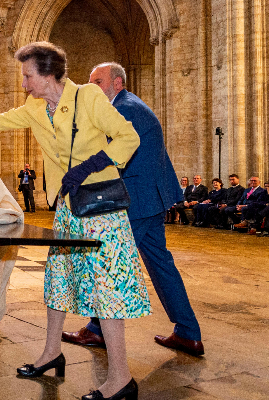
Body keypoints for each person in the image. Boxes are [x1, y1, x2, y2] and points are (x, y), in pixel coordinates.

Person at [0, 42, 148, 400]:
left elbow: (128, 137)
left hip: (102, 209)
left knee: (107, 293)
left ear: (47, 74)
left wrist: (90, 166)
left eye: (28, 76)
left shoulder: (89, 97)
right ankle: (51, 352)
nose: (24, 84)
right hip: (68, 208)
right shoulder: (34, 107)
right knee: (58, 281)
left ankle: (121, 378)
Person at [58, 63, 205, 362]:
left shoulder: (125, 109)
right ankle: (188, 333)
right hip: (149, 199)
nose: (91, 88)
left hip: (138, 201)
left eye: (97, 82)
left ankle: (96, 329)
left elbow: (113, 158)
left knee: (108, 264)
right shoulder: (130, 104)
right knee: (161, 265)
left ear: (117, 82)